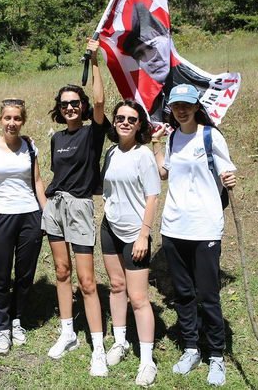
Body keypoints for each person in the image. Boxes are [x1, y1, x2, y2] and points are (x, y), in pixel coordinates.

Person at [151, 83, 237, 387]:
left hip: (205, 226)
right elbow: (165, 173)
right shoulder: (174, 137)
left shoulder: (211, 136)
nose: (182, 110)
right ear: (172, 109)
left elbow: (229, 173)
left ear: (197, 106)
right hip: (174, 226)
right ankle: (191, 348)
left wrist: (229, 178)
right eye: (176, 106)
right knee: (184, 294)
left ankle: (216, 355)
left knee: (208, 294)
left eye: (187, 105)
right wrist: (157, 145)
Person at [42, 38, 110, 376]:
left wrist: (94, 60)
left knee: (86, 280)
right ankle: (68, 332)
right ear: (59, 107)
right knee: (62, 272)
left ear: (82, 106)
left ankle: (97, 346)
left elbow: (100, 98)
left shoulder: (92, 132)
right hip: (54, 208)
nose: (71, 108)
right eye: (65, 103)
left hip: (80, 208)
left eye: (75, 103)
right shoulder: (56, 138)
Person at [0, 98, 47, 356]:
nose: (12, 123)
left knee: (25, 274)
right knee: (1, 275)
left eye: (17, 118)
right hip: (1, 217)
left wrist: (45, 212)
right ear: (0, 120)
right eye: (8, 118)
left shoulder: (29, 146)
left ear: (23, 121)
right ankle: (2, 327)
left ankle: (17, 320)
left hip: (30, 216)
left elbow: (37, 181)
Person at [100, 100, 161, 387]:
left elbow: (152, 197)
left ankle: (147, 360)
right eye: (120, 117)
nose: (125, 122)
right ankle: (121, 342)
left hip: (135, 233)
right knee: (116, 287)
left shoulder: (144, 155)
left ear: (140, 125)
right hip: (109, 227)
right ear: (114, 122)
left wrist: (143, 234)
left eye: (131, 119)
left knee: (138, 298)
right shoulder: (111, 153)